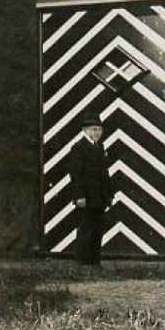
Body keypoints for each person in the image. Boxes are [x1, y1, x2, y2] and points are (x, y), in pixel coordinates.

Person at [66, 113, 113, 269]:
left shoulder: (100, 147)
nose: (97, 133)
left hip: (100, 197)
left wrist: (109, 194)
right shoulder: (79, 147)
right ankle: (82, 262)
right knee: (86, 228)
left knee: (98, 229)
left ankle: (94, 261)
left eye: (100, 130)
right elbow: (76, 174)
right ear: (85, 130)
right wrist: (79, 195)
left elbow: (105, 173)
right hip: (86, 196)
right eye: (94, 129)